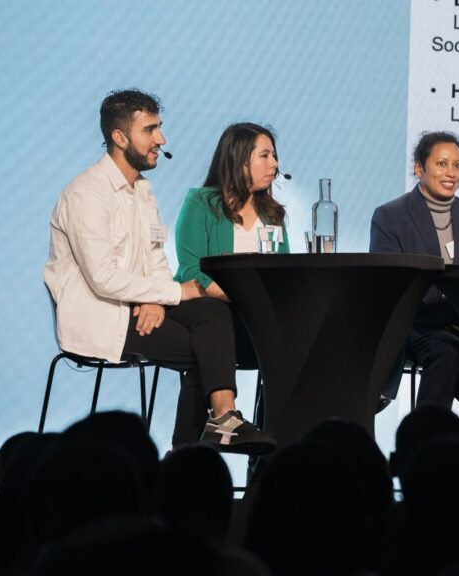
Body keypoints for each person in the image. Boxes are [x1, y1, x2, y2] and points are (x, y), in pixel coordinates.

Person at [43, 89, 274, 454]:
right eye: (150, 130)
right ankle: (192, 452)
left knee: (214, 313)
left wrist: (159, 298)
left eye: (159, 128)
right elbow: (102, 278)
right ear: (120, 138)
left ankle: (217, 426)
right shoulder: (86, 194)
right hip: (105, 318)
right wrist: (170, 294)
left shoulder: (143, 193)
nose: (161, 139)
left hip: (139, 307)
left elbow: (157, 262)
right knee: (208, 349)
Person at [173, 123, 289, 442]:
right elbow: (192, 272)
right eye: (265, 155)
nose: (275, 164)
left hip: (256, 322)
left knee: (292, 342)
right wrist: (248, 300)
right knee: (212, 324)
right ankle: (193, 450)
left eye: (274, 156)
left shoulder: (272, 214)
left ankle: (272, 447)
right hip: (211, 314)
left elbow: (284, 272)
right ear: (239, 160)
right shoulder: (201, 203)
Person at [369, 131, 459, 439]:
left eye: (457, 165)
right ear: (419, 169)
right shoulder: (390, 216)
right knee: (447, 353)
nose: (451, 173)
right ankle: (425, 447)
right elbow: (387, 286)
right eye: (442, 164)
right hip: (414, 323)